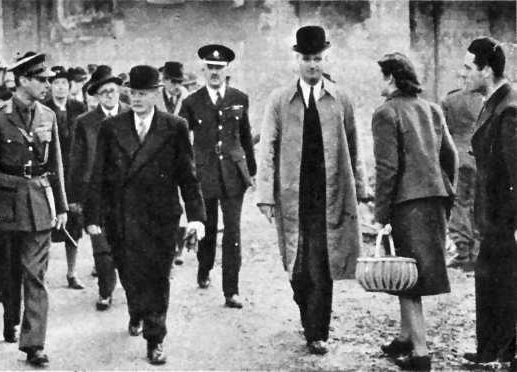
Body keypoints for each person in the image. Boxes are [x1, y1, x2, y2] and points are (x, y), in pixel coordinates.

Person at [257, 26, 371, 355]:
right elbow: (267, 148)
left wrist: (361, 190)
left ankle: (318, 331)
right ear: (297, 59)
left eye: (317, 59)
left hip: (329, 195)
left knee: (323, 261)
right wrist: (265, 195)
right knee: (296, 264)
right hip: (292, 195)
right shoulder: (279, 100)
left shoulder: (341, 99)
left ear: (325, 58)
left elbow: (354, 145)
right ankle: (306, 308)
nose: (311, 65)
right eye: (306, 59)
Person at [84, 65, 206, 365]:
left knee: (158, 277)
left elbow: (187, 176)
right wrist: (92, 216)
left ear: (155, 94)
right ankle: (136, 310)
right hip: (121, 216)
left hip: (161, 217)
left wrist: (197, 217)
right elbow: (97, 173)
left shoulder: (174, 126)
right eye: (133, 93)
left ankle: (155, 338)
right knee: (129, 274)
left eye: (143, 93)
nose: (136, 99)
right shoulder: (112, 128)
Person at [0, 51, 68, 367]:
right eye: (42, 80)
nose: (47, 85)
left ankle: (34, 344)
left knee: (35, 276)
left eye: (49, 80)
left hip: (39, 203)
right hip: (5, 206)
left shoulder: (48, 116)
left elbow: (56, 167)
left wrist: (62, 206)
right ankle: (10, 319)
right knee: (7, 274)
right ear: (22, 80)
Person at [371, 52, 457, 371]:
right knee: (409, 271)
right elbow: (451, 158)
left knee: (408, 277)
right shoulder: (432, 109)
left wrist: (381, 213)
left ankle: (420, 354)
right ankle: (405, 337)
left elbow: (387, 169)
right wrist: (446, 194)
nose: (379, 82)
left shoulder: (385, 113)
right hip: (435, 199)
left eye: (382, 76)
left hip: (407, 205)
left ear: (391, 79)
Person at [179, 44, 256, 309]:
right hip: (205, 174)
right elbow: (180, 138)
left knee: (233, 232)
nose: (214, 73)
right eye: (210, 68)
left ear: (226, 70)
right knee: (208, 228)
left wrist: (251, 171)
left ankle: (231, 291)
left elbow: (244, 136)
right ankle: (204, 268)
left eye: (219, 68)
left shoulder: (239, 98)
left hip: (233, 174)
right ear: (203, 69)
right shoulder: (191, 102)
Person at [461, 37, 517, 368]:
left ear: (487, 70)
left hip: (505, 219)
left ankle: (503, 355)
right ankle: (490, 352)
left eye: (468, 68)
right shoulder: (492, 102)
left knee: (504, 286)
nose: (463, 74)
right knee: (489, 282)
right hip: (492, 217)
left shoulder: (509, 109)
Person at [70, 65, 128, 310]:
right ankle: (106, 291)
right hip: (97, 192)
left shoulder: (132, 114)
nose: (109, 95)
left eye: (112, 90)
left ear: (119, 91)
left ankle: (133, 290)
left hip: (129, 191)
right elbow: (77, 159)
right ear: (96, 96)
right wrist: (74, 196)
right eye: (103, 92)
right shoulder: (85, 122)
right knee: (101, 245)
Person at [45, 65, 87, 290]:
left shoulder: (79, 107)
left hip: (73, 174)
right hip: (50, 174)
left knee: (74, 225)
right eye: (56, 83)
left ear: (69, 87)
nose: (60, 87)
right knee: (45, 227)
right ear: (50, 86)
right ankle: (41, 274)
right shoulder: (43, 108)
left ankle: (71, 273)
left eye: (64, 83)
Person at [442, 79, 484, 270]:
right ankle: (477, 250)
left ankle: (462, 250)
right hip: (479, 157)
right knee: (478, 202)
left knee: (459, 203)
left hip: (457, 158)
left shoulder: (450, 99)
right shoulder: (484, 100)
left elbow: (442, 132)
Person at [159, 61, 190, 265]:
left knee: (181, 204)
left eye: (179, 82)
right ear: (165, 81)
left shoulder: (187, 98)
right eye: (173, 81)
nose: (176, 86)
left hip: (182, 156)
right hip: (159, 157)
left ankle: (178, 248)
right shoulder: (156, 98)